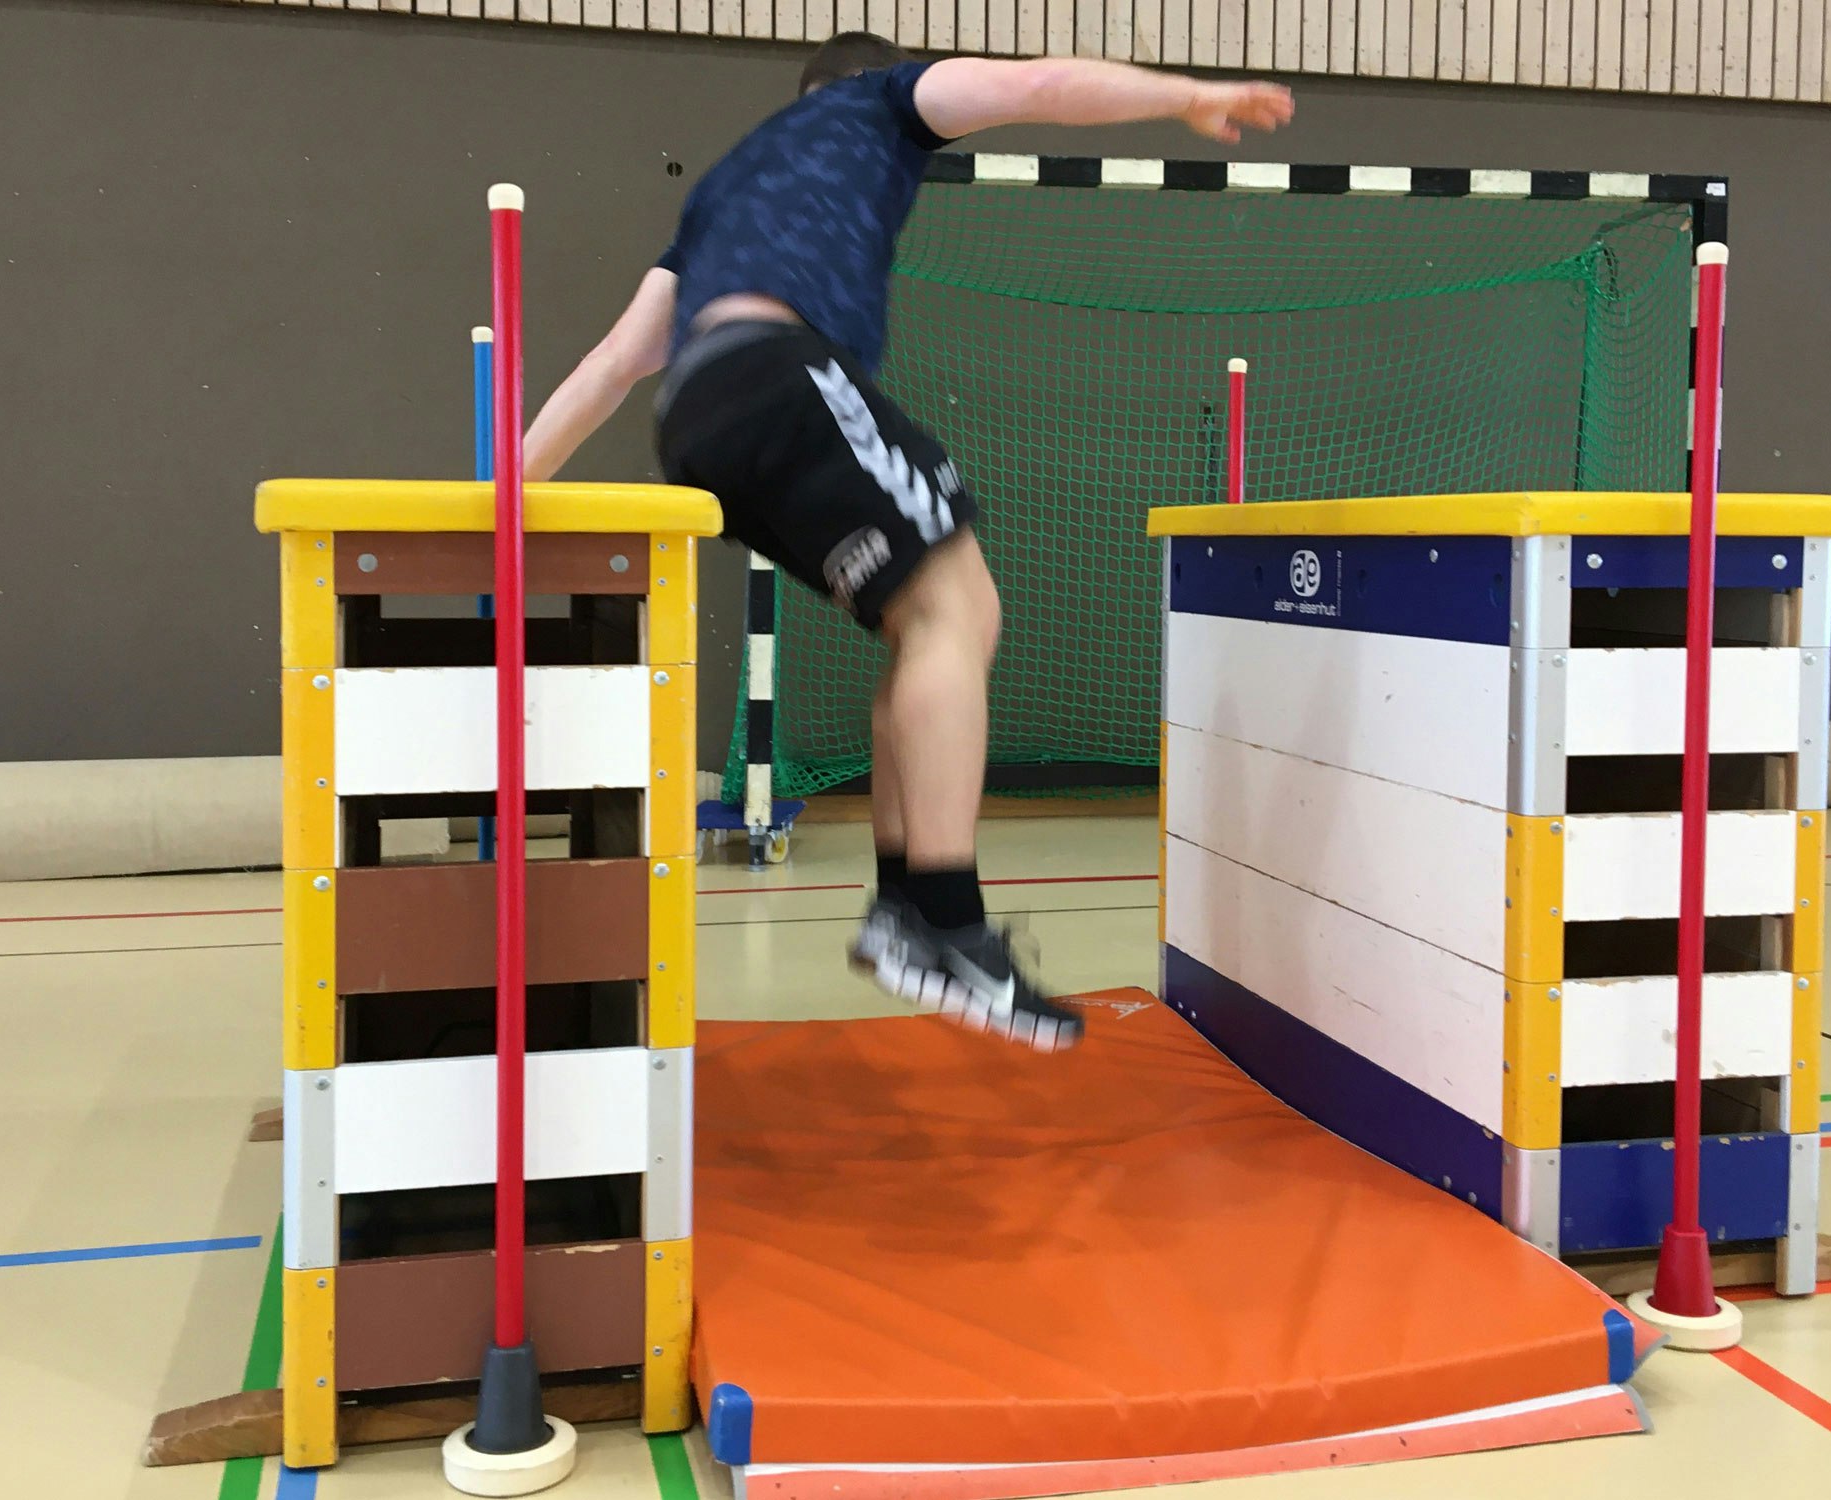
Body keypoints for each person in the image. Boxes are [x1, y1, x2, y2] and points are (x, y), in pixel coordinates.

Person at [519, 35, 1293, 1052]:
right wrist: (1186, 91)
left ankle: (902, 909)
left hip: (695, 423)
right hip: (779, 374)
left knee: (919, 623)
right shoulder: (880, 102)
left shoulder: (720, 194)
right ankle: (947, 923)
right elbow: (1035, 84)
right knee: (957, 609)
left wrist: (503, 496)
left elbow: (614, 364)